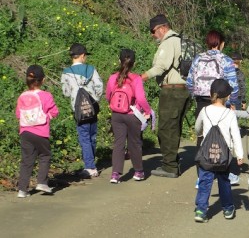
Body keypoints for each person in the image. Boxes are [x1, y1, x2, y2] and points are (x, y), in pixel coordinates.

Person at [186, 30, 240, 186]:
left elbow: (189, 82)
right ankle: (225, 170)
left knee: (202, 136)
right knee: (224, 135)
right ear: (221, 43)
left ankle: (201, 176)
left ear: (207, 43)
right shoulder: (226, 60)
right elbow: (233, 85)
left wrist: (194, 96)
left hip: (202, 101)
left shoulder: (198, 58)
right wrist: (232, 102)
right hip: (221, 101)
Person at [141, 14, 191, 178]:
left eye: (153, 31)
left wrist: (140, 78)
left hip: (172, 91)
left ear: (162, 28)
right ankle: (173, 162)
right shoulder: (180, 40)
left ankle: (169, 167)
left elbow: (160, 67)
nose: (152, 35)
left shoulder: (168, 43)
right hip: (185, 90)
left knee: (166, 128)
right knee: (175, 127)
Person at [194, 79, 243, 222]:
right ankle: (228, 209)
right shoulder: (230, 114)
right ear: (227, 96)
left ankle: (201, 210)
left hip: (207, 154)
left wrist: (199, 134)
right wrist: (239, 154)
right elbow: (236, 135)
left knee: (204, 181)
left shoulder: (204, 110)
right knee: (224, 181)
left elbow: (198, 127)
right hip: (223, 154)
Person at [106, 49, 152, 183]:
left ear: (119, 60)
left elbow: (108, 95)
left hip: (116, 115)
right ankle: (138, 171)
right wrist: (148, 111)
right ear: (134, 62)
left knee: (118, 143)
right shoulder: (136, 78)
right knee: (134, 144)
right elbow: (141, 98)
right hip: (132, 114)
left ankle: (115, 174)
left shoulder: (113, 77)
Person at [16, 65, 59, 198]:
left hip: (25, 132)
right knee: (45, 155)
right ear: (43, 80)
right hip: (41, 132)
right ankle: (42, 182)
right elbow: (55, 111)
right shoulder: (46, 96)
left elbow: (18, 114)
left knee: (27, 160)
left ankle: (22, 189)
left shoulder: (22, 96)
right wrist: (49, 116)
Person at [61, 43, 103, 178]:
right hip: (92, 107)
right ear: (83, 56)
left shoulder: (66, 72)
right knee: (92, 135)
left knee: (84, 137)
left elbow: (66, 92)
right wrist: (95, 99)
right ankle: (92, 163)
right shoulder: (91, 69)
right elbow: (99, 85)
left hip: (78, 109)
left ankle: (90, 167)